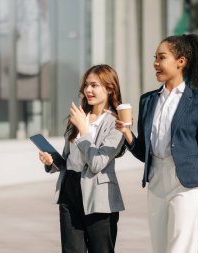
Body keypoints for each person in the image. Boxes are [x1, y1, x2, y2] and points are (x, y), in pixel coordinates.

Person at [115, 34, 198, 253]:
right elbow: (144, 152)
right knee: (160, 248)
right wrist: (127, 134)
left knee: (180, 249)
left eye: (162, 57)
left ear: (181, 61)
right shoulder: (147, 100)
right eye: (154, 58)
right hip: (156, 182)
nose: (156, 63)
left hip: (186, 185)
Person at [38, 64, 126, 253]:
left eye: (94, 85)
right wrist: (51, 161)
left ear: (110, 88)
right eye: (86, 85)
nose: (88, 90)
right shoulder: (80, 117)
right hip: (69, 189)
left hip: (99, 196)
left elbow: (97, 163)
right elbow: (68, 160)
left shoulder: (117, 124)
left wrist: (85, 131)